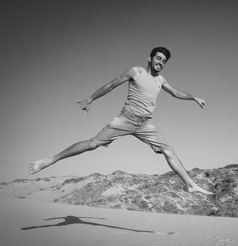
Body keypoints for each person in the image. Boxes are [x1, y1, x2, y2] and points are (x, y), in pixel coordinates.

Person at [29, 47, 212, 195]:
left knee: (168, 150)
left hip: (145, 124)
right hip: (125, 120)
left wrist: (194, 97)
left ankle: (189, 184)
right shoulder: (136, 71)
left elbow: (175, 93)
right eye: (158, 58)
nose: (161, 63)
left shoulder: (161, 80)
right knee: (92, 144)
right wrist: (90, 99)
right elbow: (110, 85)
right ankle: (52, 160)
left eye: (164, 61)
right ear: (149, 58)